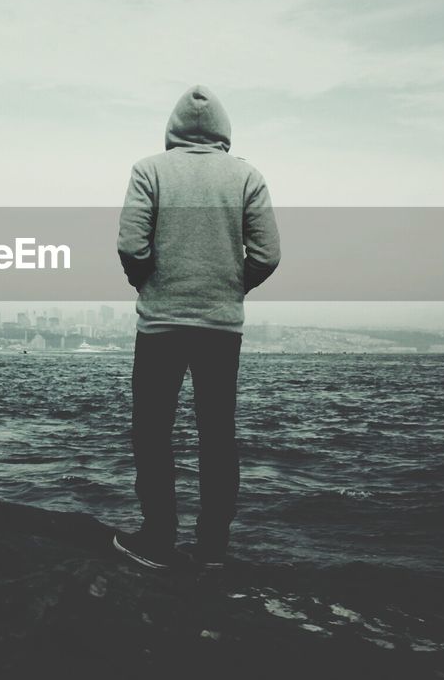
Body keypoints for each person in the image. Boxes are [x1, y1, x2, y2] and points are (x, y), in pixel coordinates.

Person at [113, 85, 280, 570]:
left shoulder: (150, 171)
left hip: (160, 324)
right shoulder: (247, 177)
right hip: (220, 328)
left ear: (174, 128)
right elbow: (268, 255)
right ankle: (212, 550)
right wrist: (232, 287)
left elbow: (130, 244)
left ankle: (158, 540)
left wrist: (148, 284)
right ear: (224, 130)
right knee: (217, 436)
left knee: (151, 431)